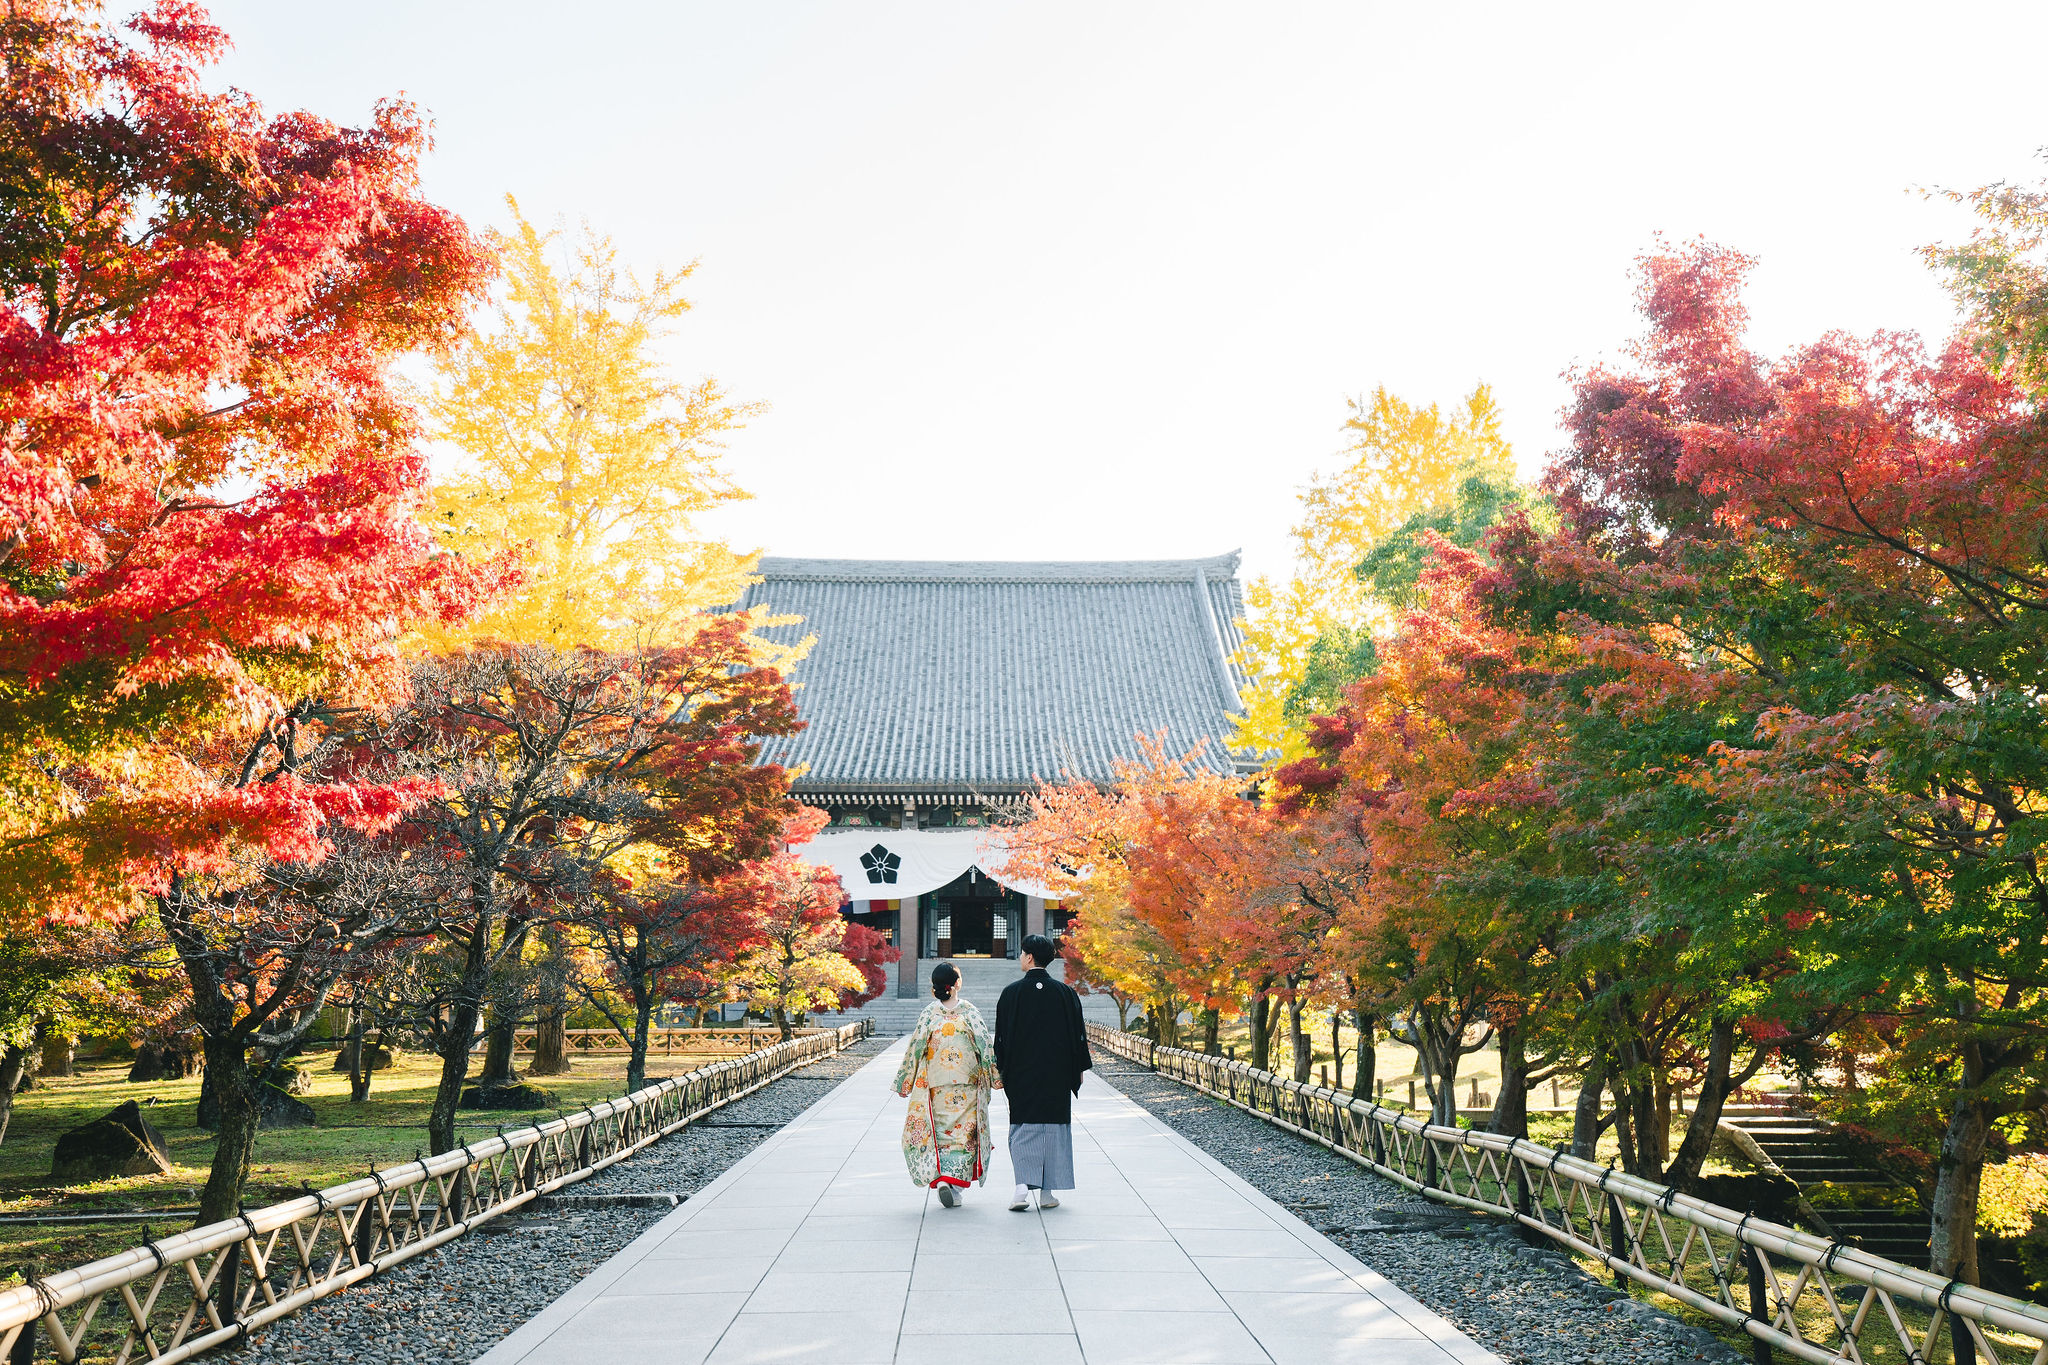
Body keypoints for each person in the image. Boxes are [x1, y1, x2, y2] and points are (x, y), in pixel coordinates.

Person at [994, 932, 1092, 1211]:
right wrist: (1079, 1068)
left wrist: (1000, 1068)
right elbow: (1079, 1036)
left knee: (1023, 1127)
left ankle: (1021, 1189)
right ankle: (1047, 1192)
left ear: (1029, 957)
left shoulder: (1011, 993)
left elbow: (1001, 1037)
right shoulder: (1065, 993)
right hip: (1057, 1074)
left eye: (1021, 953)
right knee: (1054, 1128)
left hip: (1022, 1073)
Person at [893, 961, 999, 1206]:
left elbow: (915, 1047)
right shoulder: (969, 1011)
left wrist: (905, 1081)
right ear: (957, 983)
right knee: (963, 1137)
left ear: (934, 987)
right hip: (967, 1085)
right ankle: (954, 1186)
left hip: (936, 1085)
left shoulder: (929, 1013)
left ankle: (944, 1180)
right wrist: (995, 1077)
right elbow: (984, 1045)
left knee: (941, 1134)